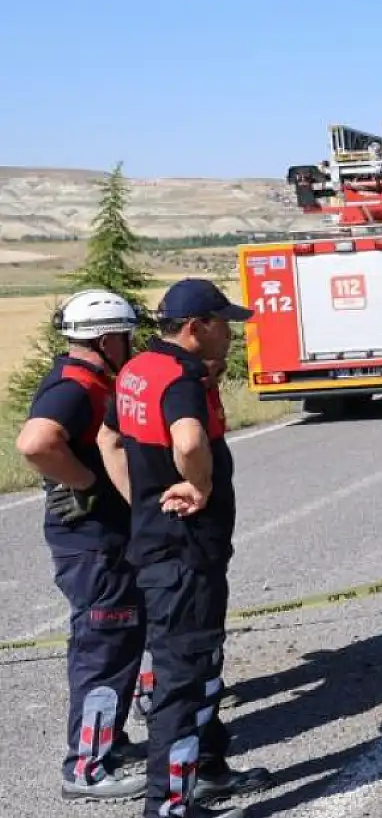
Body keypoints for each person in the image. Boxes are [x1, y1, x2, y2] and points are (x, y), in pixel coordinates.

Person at [110, 278, 270, 818]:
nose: (232, 332)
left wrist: (141, 499)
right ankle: (168, 805)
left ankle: (208, 771)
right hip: (184, 553)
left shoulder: (137, 369)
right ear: (196, 326)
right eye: (224, 322)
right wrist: (198, 487)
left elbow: (111, 439)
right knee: (185, 677)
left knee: (197, 666)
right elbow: (189, 442)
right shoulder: (178, 378)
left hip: (159, 543)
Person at [15, 289, 151, 802]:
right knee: (104, 652)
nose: (130, 345)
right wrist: (87, 484)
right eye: (126, 337)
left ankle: (107, 742)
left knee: (115, 647)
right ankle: (89, 766)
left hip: (102, 543)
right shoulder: (74, 387)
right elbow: (35, 442)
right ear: (108, 339)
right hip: (94, 545)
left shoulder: (90, 380)